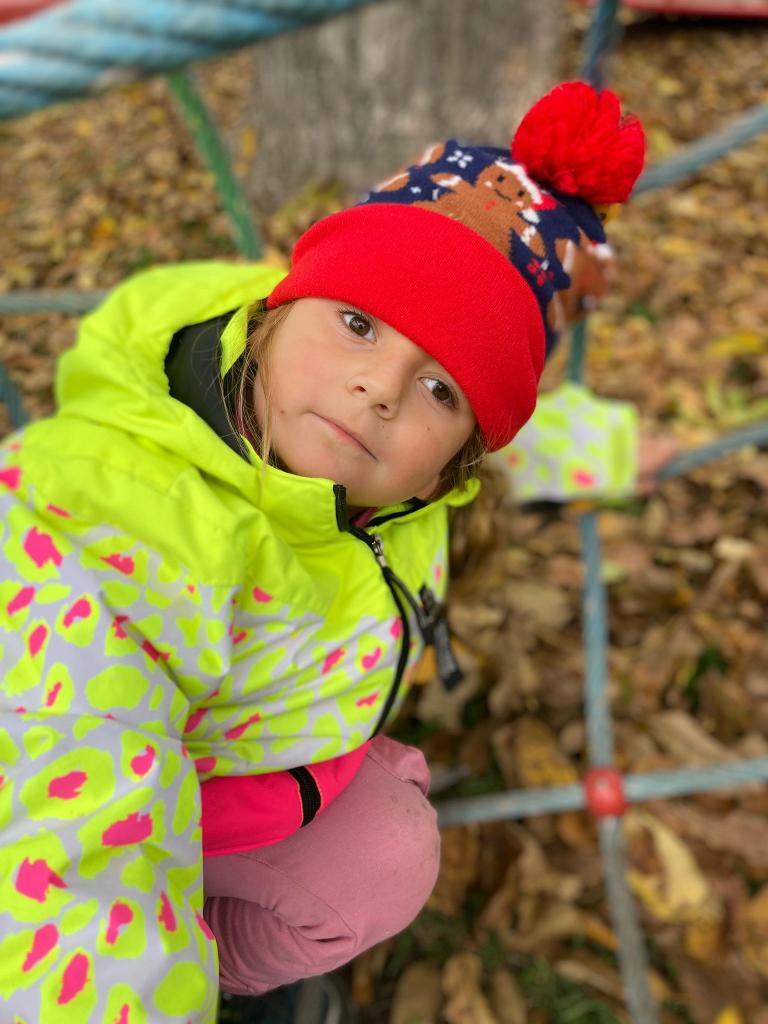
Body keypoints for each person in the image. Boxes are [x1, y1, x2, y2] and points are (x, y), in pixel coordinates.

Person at [0, 81, 645, 1020]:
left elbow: (518, 441)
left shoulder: (367, 444)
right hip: (71, 798)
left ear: (460, 458)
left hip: (239, 767)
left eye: (440, 387)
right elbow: (72, 838)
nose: (379, 388)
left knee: (385, 849)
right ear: (279, 307)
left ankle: (217, 964)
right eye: (359, 324)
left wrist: (628, 449)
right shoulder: (118, 530)